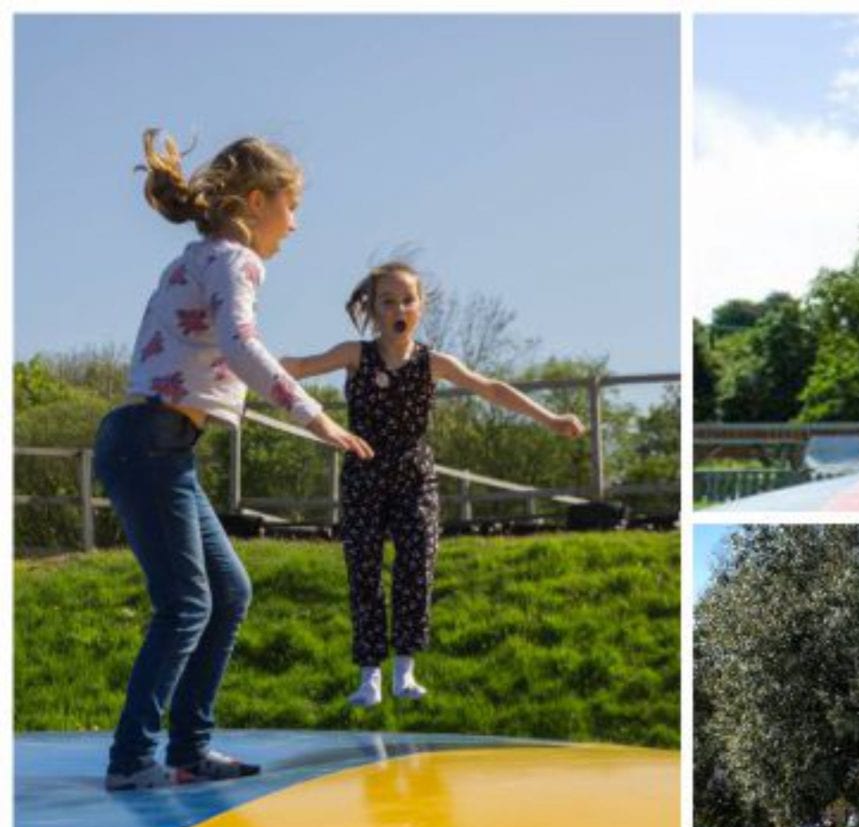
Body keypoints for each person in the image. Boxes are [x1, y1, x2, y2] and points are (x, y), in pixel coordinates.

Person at [98, 131, 374, 791]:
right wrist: (316, 415)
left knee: (228, 593)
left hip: (159, 444)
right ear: (256, 201)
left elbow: (201, 356)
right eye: (291, 204)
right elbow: (242, 343)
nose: (296, 223)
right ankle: (133, 757)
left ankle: (190, 749)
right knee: (187, 602)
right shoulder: (238, 261)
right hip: (150, 444)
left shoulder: (197, 258)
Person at [281, 263, 584, 707]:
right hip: (364, 474)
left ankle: (405, 669)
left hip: (414, 476)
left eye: (407, 300)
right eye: (387, 301)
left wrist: (551, 419)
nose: (398, 308)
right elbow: (298, 367)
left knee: (417, 562)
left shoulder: (433, 362)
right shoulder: (354, 355)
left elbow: (492, 389)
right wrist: (237, 359)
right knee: (364, 571)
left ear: (420, 308)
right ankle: (369, 677)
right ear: (372, 309)